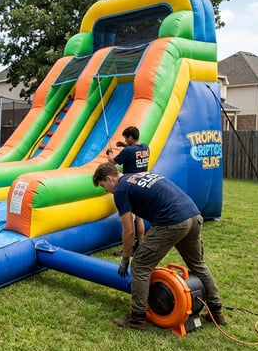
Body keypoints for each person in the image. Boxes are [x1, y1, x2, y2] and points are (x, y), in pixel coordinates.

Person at [92, 163, 226, 331]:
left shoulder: (121, 189)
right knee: (198, 265)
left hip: (172, 221)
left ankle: (137, 319)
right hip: (193, 216)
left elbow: (128, 231)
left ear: (109, 179)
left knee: (140, 265)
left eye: (104, 186)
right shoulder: (137, 177)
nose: (107, 190)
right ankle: (216, 311)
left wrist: (125, 258)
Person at [106, 126, 150, 255]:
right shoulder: (145, 147)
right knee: (139, 218)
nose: (125, 140)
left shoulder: (128, 151)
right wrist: (124, 145)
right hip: (142, 184)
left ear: (130, 137)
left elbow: (112, 162)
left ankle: (128, 249)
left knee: (128, 221)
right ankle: (140, 244)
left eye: (126, 138)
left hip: (130, 187)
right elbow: (134, 152)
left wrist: (109, 153)